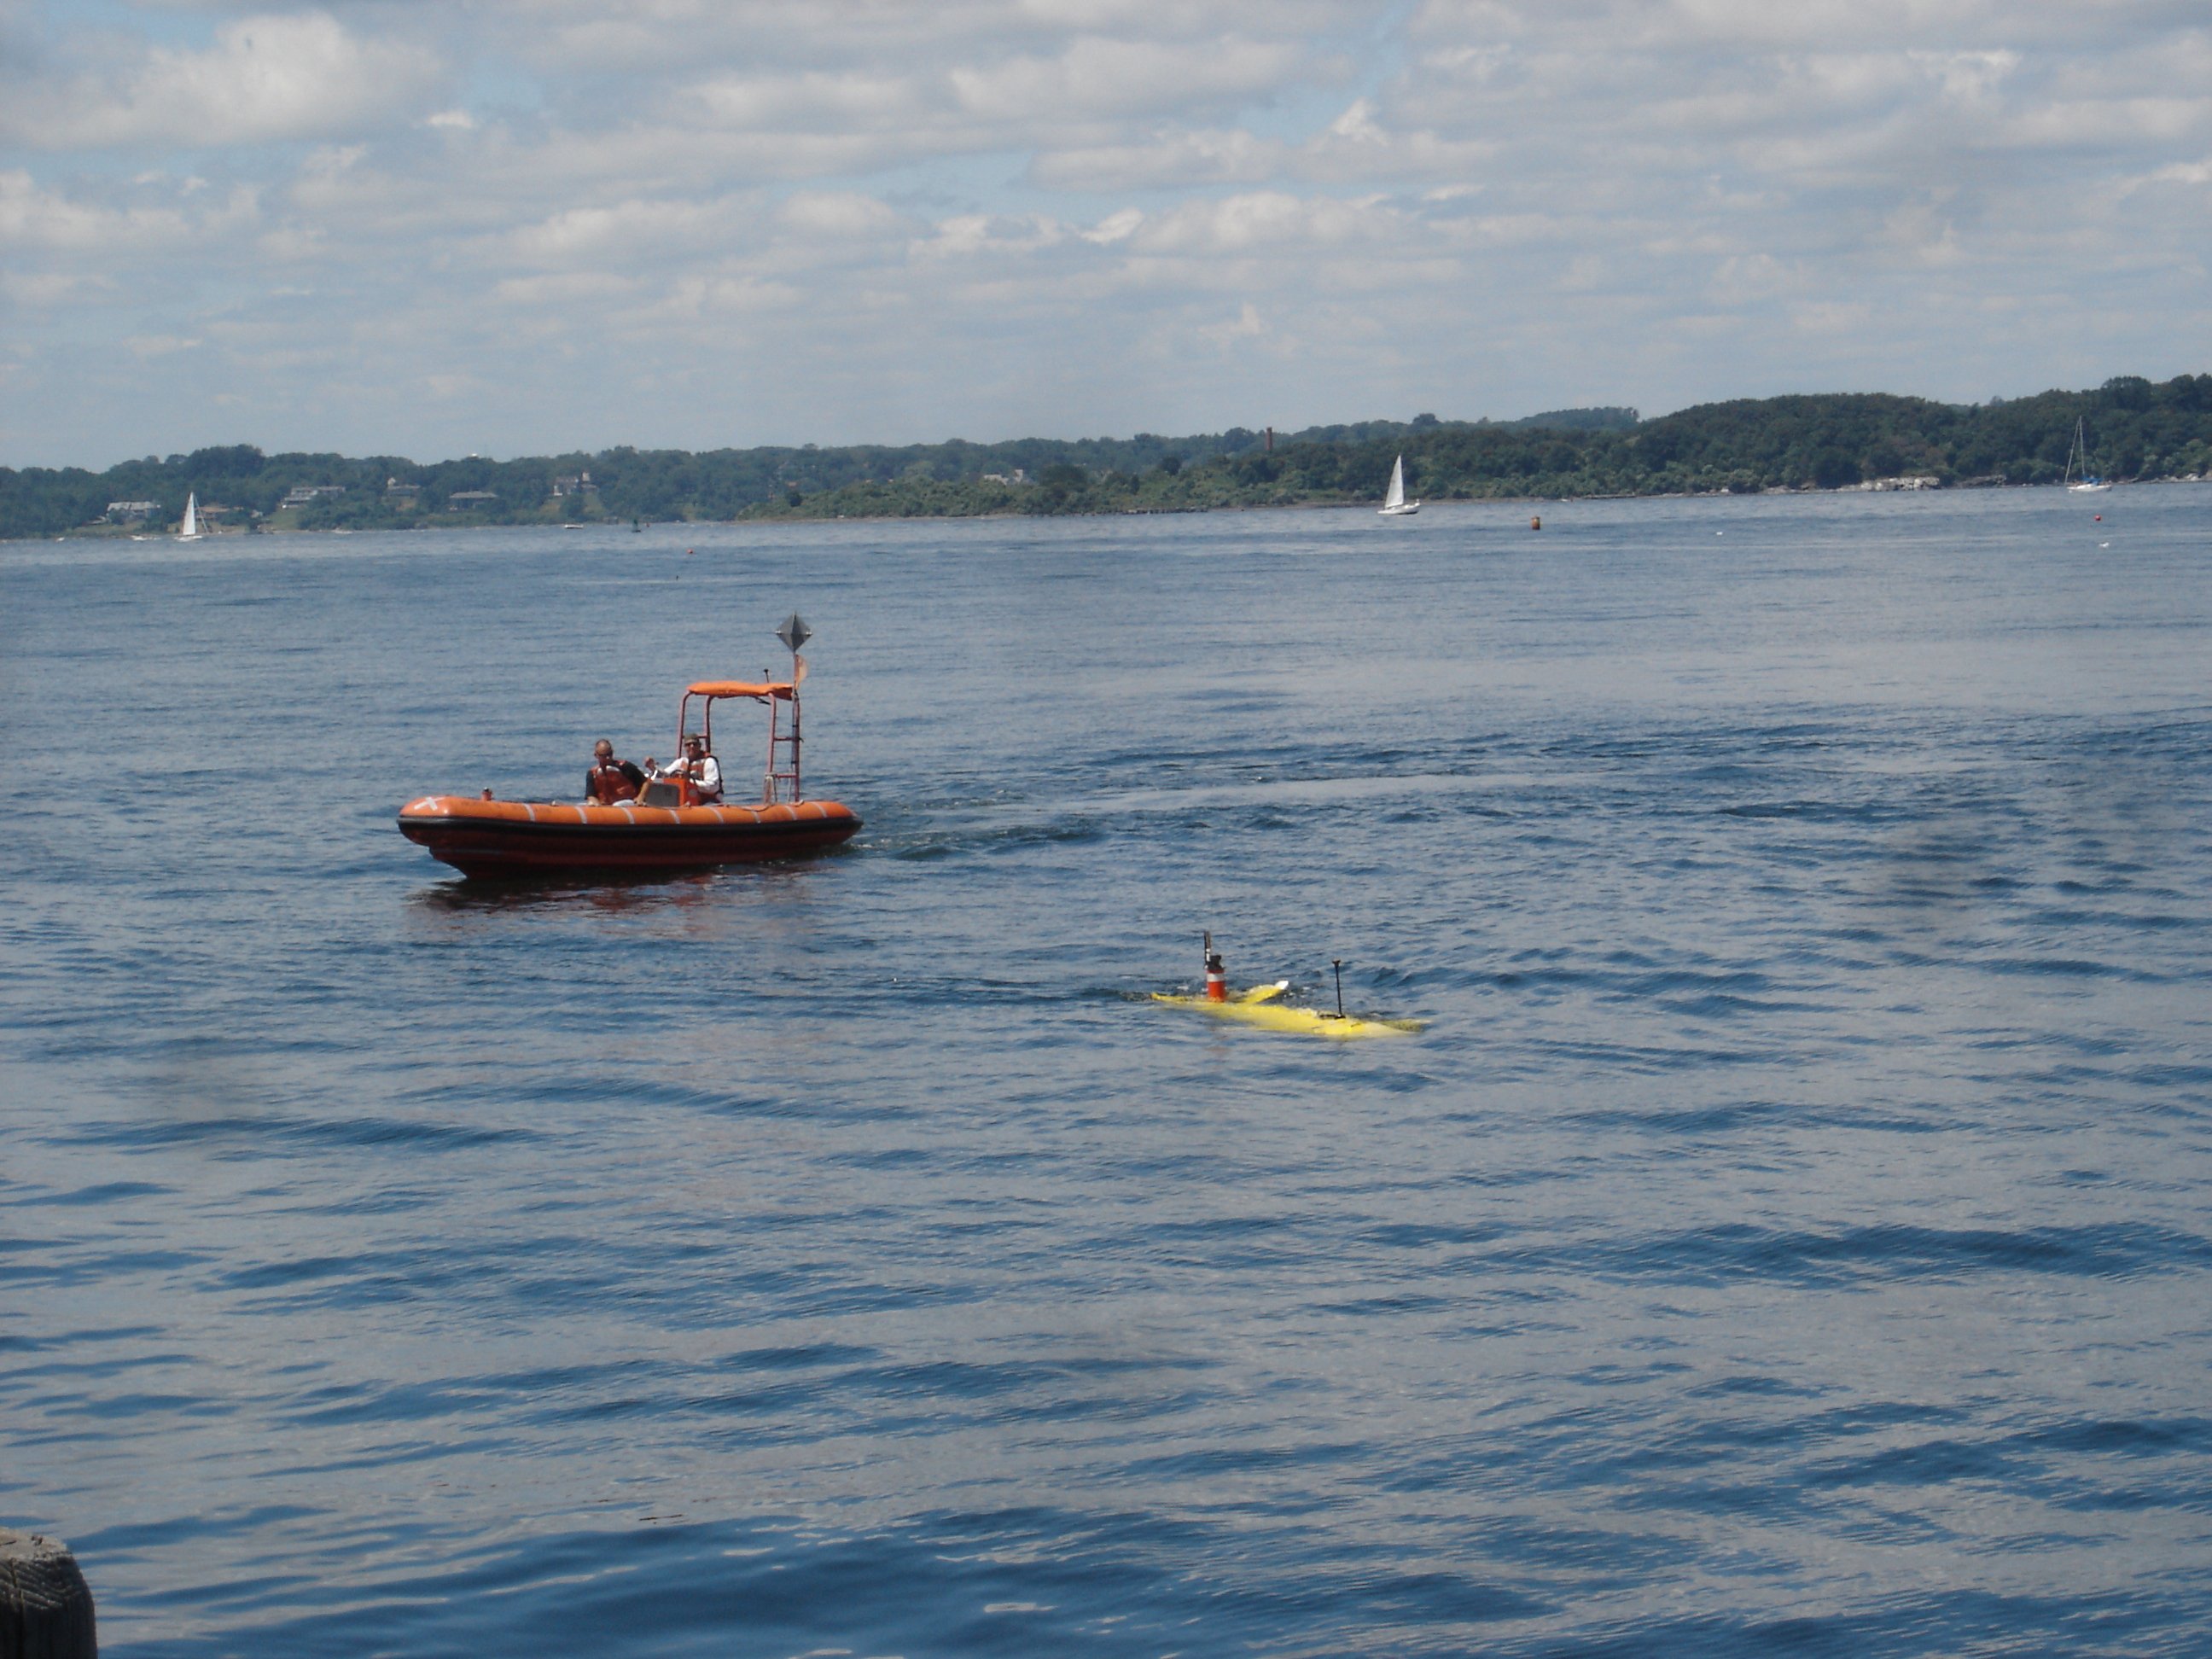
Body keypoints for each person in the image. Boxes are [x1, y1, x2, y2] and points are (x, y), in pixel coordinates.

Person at [585, 739, 644, 804]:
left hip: (627, 803)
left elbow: (645, 782)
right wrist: (598, 806)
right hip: (606, 806)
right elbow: (590, 795)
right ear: (596, 755)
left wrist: (640, 797)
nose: (608, 758)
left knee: (618, 804)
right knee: (590, 803)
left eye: (609, 754)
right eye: (604, 756)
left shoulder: (625, 767)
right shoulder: (592, 773)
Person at [671, 732, 722, 802]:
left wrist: (690, 782)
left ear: (700, 746)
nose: (692, 746)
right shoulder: (682, 762)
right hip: (687, 801)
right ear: (684, 747)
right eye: (688, 745)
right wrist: (653, 768)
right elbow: (665, 774)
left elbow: (713, 787)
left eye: (694, 744)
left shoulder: (709, 761)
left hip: (708, 802)